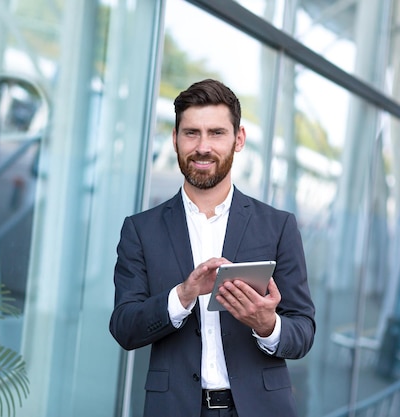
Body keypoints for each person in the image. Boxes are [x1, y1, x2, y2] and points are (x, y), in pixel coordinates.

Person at [109, 79, 315, 417]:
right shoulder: (140, 230)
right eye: (191, 133)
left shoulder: (278, 226)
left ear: (239, 139)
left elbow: (303, 331)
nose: (203, 146)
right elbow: (124, 327)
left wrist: (267, 325)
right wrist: (183, 295)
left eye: (217, 133)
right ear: (174, 139)